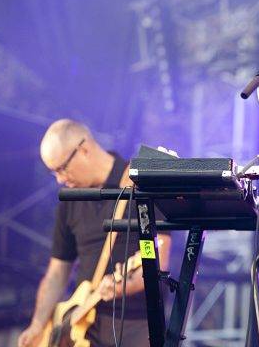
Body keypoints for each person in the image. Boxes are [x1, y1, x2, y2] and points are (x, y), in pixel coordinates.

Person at [18, 119, 171, 347]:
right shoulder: (71, 200)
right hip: (81, 325)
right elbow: (57, 271)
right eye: (53, 173)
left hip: (136, 327)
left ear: (84, 149)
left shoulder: (140, 184)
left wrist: (122, 287)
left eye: (61, 168)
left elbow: (156, 257)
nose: (60, 179)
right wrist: (38, 324)